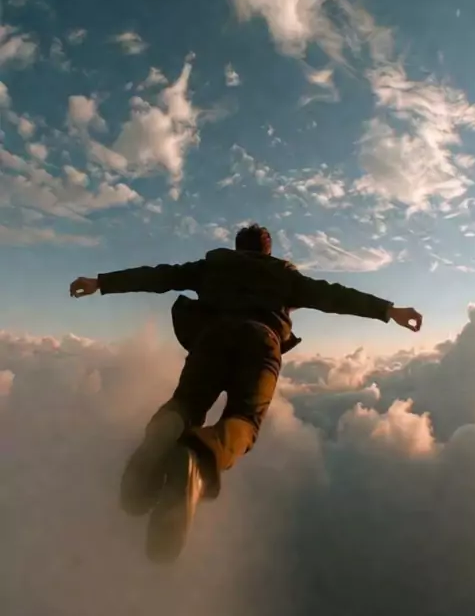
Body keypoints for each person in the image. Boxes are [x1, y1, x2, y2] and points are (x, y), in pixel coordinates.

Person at [69, 224, 422, 563]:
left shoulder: (211, 268)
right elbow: (335, 296)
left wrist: (100, 282)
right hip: (261, 342)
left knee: (186, 404)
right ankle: (199, 456)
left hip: (211, 338)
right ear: (267, 252)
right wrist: (388, 310)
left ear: (238, 248)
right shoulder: (285, 276)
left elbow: (158, 276)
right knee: (244, 419)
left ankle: (167, 429)